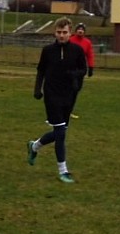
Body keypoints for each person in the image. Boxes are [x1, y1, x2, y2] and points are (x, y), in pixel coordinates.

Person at [26, 17, 87, 183]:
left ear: (70, 33)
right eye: (59, 32)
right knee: (60, 134)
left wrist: (74, 76)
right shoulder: (47, 50)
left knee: (60, 132)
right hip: (52, 95)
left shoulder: (77, 50)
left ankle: (34, 146)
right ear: (55, 32)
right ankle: (63, 171)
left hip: (69, 96)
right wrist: (37, 89)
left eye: (65, 32)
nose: (61, 35)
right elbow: (41, 70)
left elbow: (84, 69)